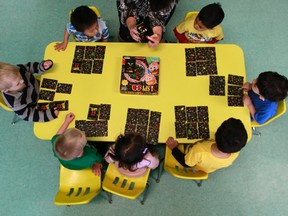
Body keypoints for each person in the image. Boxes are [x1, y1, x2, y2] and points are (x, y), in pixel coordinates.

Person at [166, 118, 248, 173]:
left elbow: (186, 163)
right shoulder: (235, 153)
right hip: (209, 168)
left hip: (195, 162)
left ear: (216, 134)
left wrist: (174, 149)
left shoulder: (199, 150)